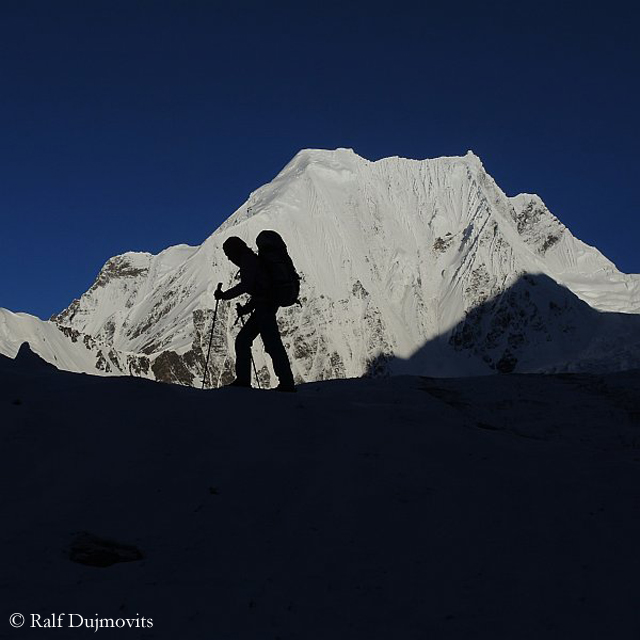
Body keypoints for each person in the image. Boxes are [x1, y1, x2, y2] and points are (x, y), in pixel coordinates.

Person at [215, 236, 296, 392]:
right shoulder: (252, 259)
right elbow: (261, 287)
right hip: (265, 305)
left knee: (265, 343)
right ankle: (284, 382)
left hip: (264, 307)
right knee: (257, 342)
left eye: (229, 254)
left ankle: (283, 383)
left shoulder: (247, 260)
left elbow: (246, 285)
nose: (229, 258)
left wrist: (224, 295)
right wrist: (247, 308)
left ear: (235, 250)